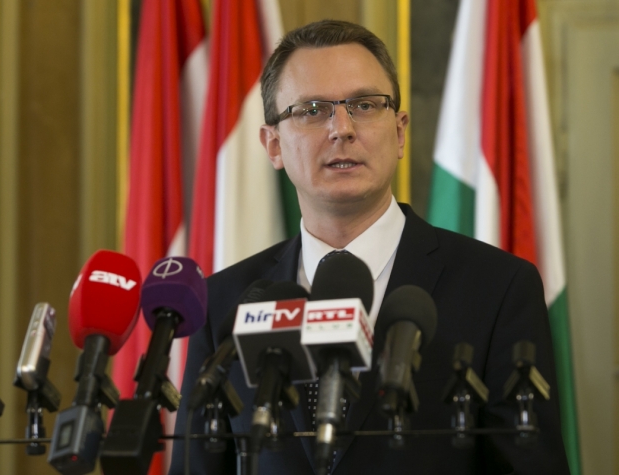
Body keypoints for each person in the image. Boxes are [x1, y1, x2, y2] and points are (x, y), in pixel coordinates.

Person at [169, 19, 570, 474]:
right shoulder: (225, 304)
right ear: (273, 145)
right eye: (313, 110)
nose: (341, 128)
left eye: (364, 105)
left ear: (399, 132)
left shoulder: (497, 289)